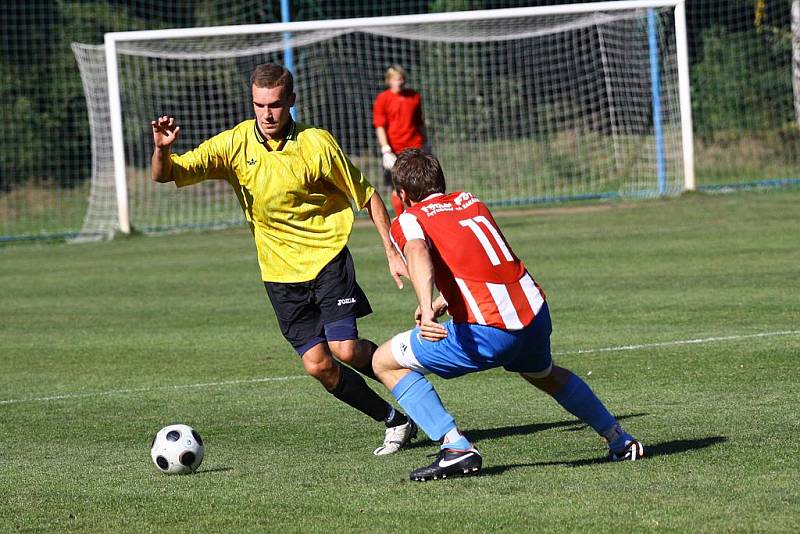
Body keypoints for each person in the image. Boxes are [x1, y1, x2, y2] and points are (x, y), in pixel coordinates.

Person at [150, 63, 417, 456]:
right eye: (259, 105)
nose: (267, 114)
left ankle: (414, 385)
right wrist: (162, 148)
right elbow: (165, 175)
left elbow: (368, 196)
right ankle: (396, 421)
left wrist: (391, 251)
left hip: (327, 259)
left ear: (290, 100)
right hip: (279, 275)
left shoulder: (316, 144)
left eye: (275, 104)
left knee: (345, 349)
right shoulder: (234, 144)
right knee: (320, 367)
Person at [372, 149, 645, 481]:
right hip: (534, 314)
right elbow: (482, 261)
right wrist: (446, 299)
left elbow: (416, 251)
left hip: (489, 328)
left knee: (384, 361)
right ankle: (619, 439)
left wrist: (427, 307)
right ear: (441, 180)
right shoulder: (471, 202)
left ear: (402, 195)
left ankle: (455, 447)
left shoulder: (409, 219)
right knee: (544, 374)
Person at [372, 65, 428, 218]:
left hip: (414, 147)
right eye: (397, 79)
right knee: (398, 188)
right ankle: (402, 218)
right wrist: (386, 150)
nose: (400, 82)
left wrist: (426, 143)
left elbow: (419, 122)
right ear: (389, 80)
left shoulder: (414, 96)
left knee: (419, 185)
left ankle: (421, 217)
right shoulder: (383, 99)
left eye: (402, 78)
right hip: (395, 151)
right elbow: (380, 126)